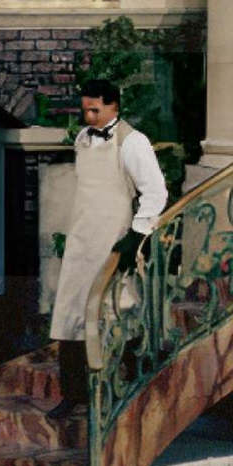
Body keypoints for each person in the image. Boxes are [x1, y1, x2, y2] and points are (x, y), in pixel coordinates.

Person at [49, 78, 168, 414]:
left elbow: (156, 192)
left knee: (116, 309)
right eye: (85, 109)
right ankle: (73, 394)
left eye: (94, 110)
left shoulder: (132, 142)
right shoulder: (83, 139)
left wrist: (136, 233)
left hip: (113, 238)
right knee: (71, 312)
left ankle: (125, 389)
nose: (88, 117)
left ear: (114, 105)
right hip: (82, 236)